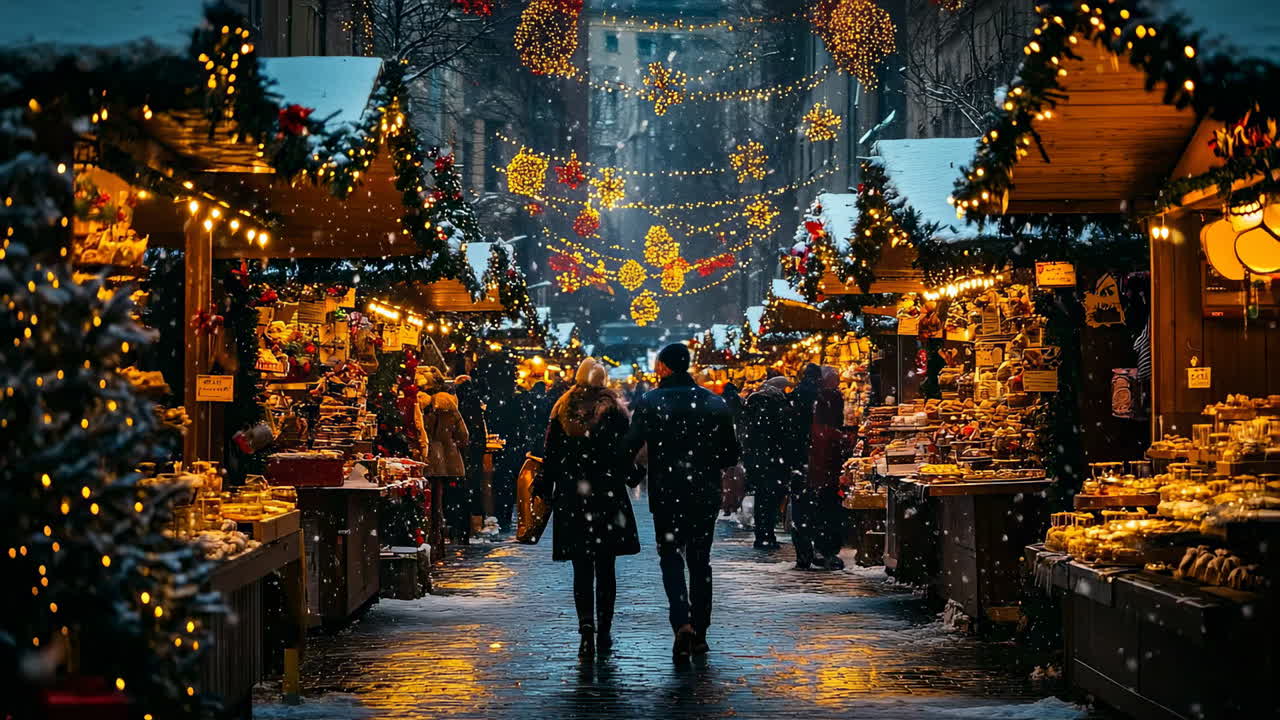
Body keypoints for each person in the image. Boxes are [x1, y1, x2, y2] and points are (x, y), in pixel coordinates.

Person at [624, 343, 740, 661]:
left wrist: (632, 474)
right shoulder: (713, 402)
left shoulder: (650, 402)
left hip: (667, 493)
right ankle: (701, 631)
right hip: (703, 494)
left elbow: (630, 445)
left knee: (671, 558)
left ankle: (682, 623)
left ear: (663, 366)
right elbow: (731, 453)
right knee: (700, 561)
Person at [534, 358, 641, 658]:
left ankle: (586, 628)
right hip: (607, 495)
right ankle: (604, 627)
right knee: (606, 567)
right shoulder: (616, 413)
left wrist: (544, 485)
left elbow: (551, 454)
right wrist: (633, 475)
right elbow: (626, 453)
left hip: (573, 497)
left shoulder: (563, 410)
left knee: (581, 568)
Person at [792, 366, 848, 570]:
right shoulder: (826, 398)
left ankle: (805, 554)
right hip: (819, 462)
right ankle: (825, 551)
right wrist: (837, 437)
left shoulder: (797, 395)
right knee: (825, 508)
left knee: (803, 509)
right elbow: (823, 431)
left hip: (801, 462)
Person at [418, 374, 472, 544]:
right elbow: (464, 435)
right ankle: (445, 529)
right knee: (447, 496)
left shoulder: (422, 406)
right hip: (449, 458)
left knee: (428, 496)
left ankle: (430, 530)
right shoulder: (450, 408)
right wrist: (454, 444)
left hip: (427, 457)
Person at [743, 377, 791, 549]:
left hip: (759, 460)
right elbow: (781, 433)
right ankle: (766, 534)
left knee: (763, 498)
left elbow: (748, 432)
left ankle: (763, 534)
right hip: (772, 460)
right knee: (769, 499)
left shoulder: (754, 401)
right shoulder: (775, 404)